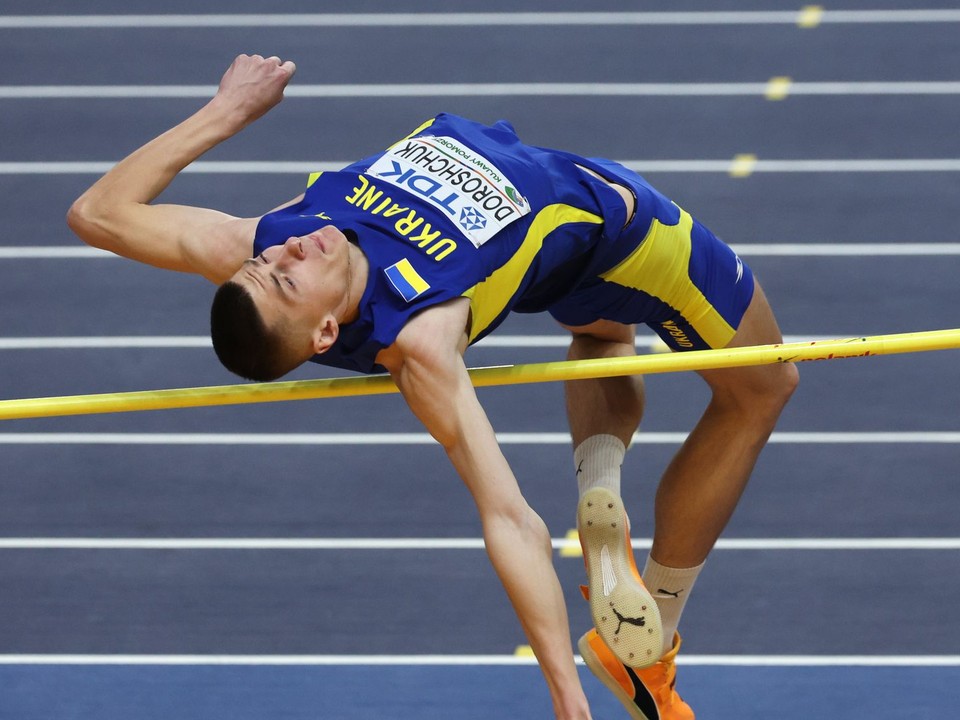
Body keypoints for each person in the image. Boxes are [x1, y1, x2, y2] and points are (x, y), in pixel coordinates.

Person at [67, 54, 799, 720]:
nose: (288, 249)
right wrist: (567, 698)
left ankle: (599, 486)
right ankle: (654, 633)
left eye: (270, 261)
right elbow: (508, 518)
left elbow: (95, 214)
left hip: (553, 258)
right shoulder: (419, 341)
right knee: (762, 391)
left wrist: (227, 110)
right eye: (287, 277)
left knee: (603, 340)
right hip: (627, 229)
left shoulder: (257, 244)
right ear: (324, 332)